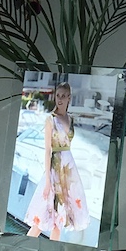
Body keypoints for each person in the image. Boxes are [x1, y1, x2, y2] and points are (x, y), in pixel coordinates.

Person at [23, 82, 90, 240]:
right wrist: (47, 181)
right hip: (54, 168)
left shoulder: (71, 119)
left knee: (59, 222)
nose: (59, 99)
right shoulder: (50, 120)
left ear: (69, 98)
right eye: (57, 96)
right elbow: (48, 151)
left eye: (63, 96)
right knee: (41, 218)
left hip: (68, 169)